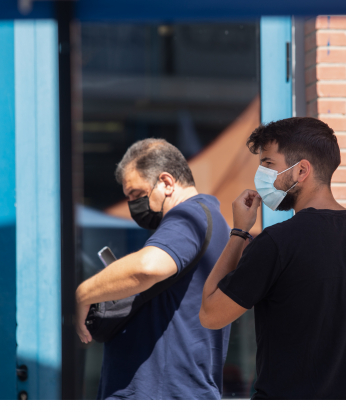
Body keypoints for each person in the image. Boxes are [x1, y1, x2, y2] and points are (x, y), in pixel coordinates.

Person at [199, 117, 346, 400]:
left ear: (301, 170)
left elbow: (211, 314)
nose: (261, 174)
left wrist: (238, 232)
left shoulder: (277, 242)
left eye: (268, 164)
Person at [75, 138, 231, 400]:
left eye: (137, 194)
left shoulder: (188, 217)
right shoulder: (210, 219)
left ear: (167, 182)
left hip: (163, 393)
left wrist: (83, 294)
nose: (133, 205)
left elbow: (147, 267)